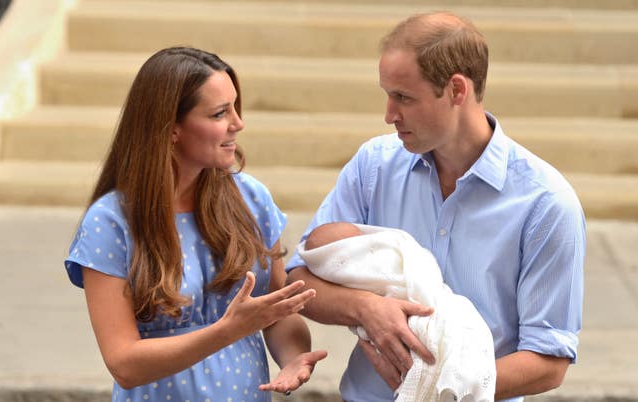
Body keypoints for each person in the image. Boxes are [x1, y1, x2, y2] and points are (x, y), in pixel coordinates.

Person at [286, 11, 585, 402]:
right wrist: (364, 308)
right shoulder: (373, 165)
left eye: (404, 97)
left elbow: (549, 361)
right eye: (388, 94)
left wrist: (438, 390)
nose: (389, 114)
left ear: (457, 90)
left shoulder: (546, 204)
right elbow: (300, 279)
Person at [64, 46, 327, 402]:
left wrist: (294, 358)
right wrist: (228, 330)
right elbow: (124, 363)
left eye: (236, 107)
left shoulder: (251, 199)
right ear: (172, 129)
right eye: (220, 113)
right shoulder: (111, 222)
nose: (238, 123)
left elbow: (276, 312)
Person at [299, 222, 496, 402]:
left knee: (451, 331)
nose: (360, 240)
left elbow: (529, 362)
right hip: (363, 396)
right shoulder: (365, 183)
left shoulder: (526, 203)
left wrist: (438, 380)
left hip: (443, 312)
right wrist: (365, 306)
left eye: (361, 236)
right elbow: (295, 285)